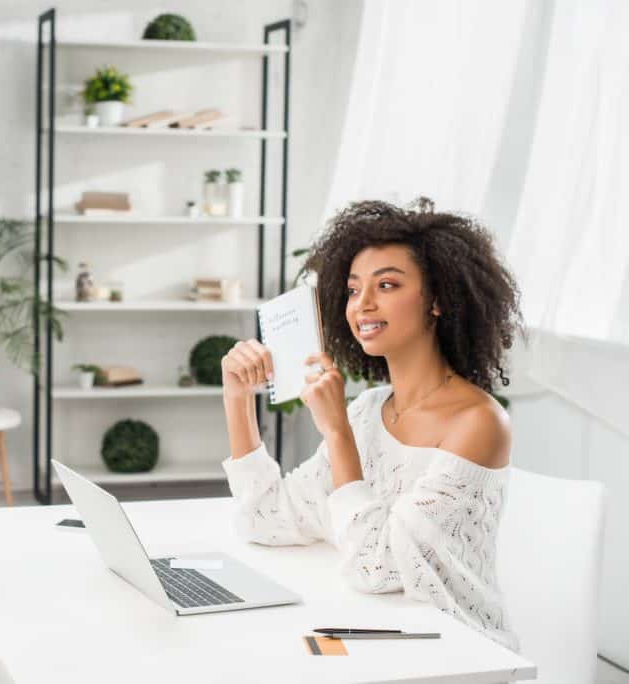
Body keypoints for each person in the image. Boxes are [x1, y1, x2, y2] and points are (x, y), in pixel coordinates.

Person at [221, 197, 526, 652]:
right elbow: (264, 518)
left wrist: (337, 433)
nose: (362, 304)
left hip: (456, 653)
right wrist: (237, 398)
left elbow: (376, 569)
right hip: (377, 639)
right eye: (352, 289)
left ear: (438, 300)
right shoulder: (370, 410)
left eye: (386, 285)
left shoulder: (478, 423)